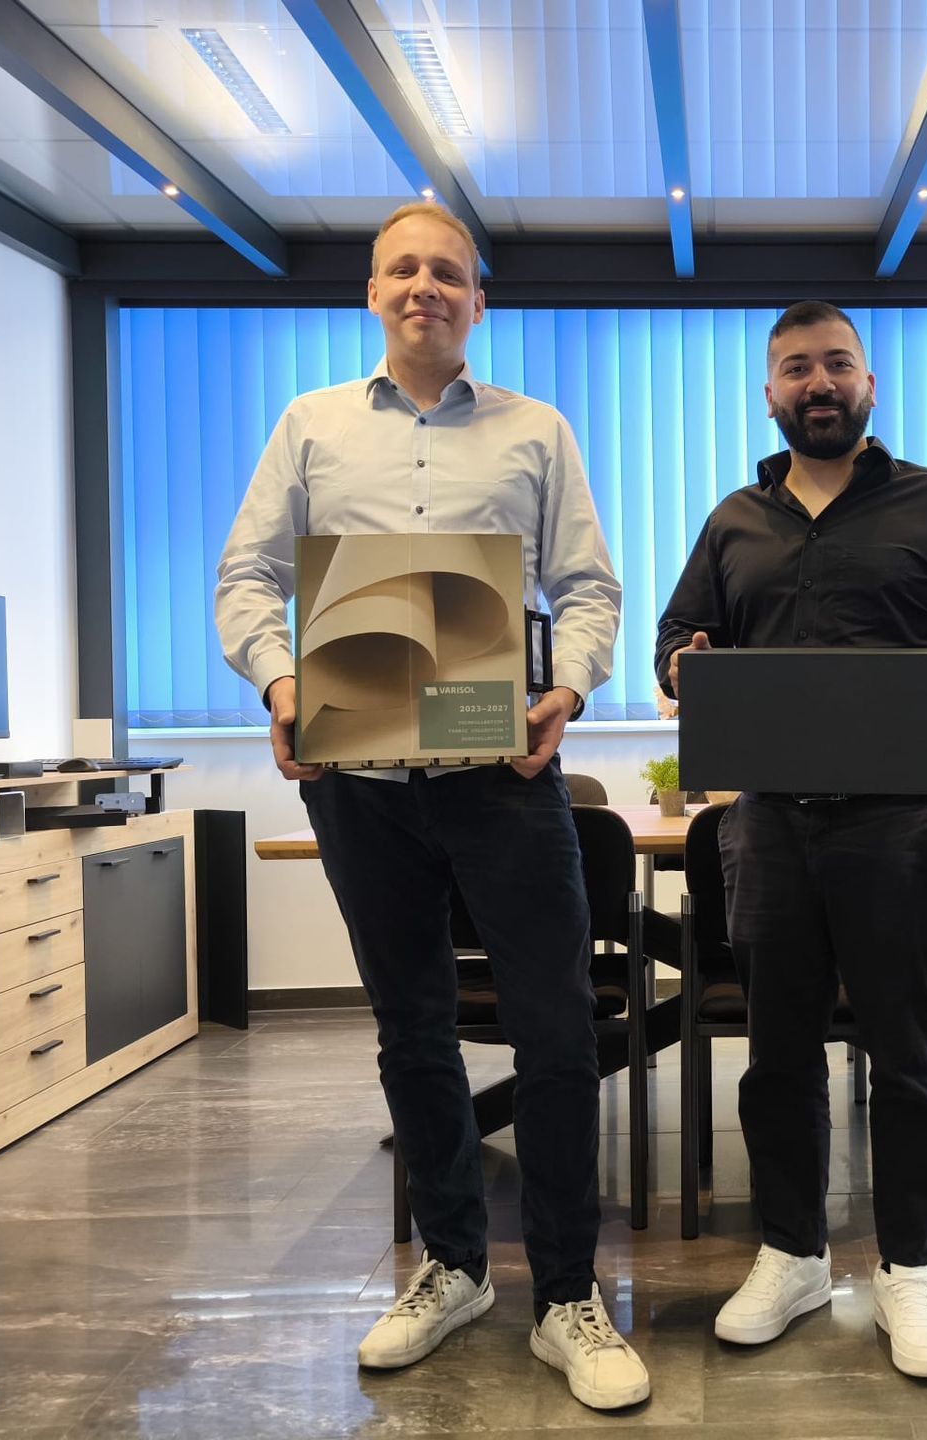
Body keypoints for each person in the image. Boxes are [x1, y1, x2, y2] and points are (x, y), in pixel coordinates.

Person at [214, 201, 648, 1411]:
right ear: (372, 291)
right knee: (413, 1029)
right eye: (403, 269)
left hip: (502, 782)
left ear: (477, 301)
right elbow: (247, 573)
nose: (425, 288)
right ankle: (452, 1268)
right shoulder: (309, 428)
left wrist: (564, 686)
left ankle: (568, 1294)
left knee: (560, 1032)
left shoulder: (535, 431)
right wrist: (283, 678)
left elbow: (591, 586)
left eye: (448, 274)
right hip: (363, 785)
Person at [655, 301, 927, 1379]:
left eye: (837, 365)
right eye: (796, 369)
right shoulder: (733, 519)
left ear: (869, 385)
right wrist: (680, 666)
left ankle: (910, 1270)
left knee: (908, 1055)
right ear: (770, 392)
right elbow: (679, 639)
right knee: (778, 1059)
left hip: (900, 823)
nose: (818, 383)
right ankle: (793, 1254)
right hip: (767, 826)